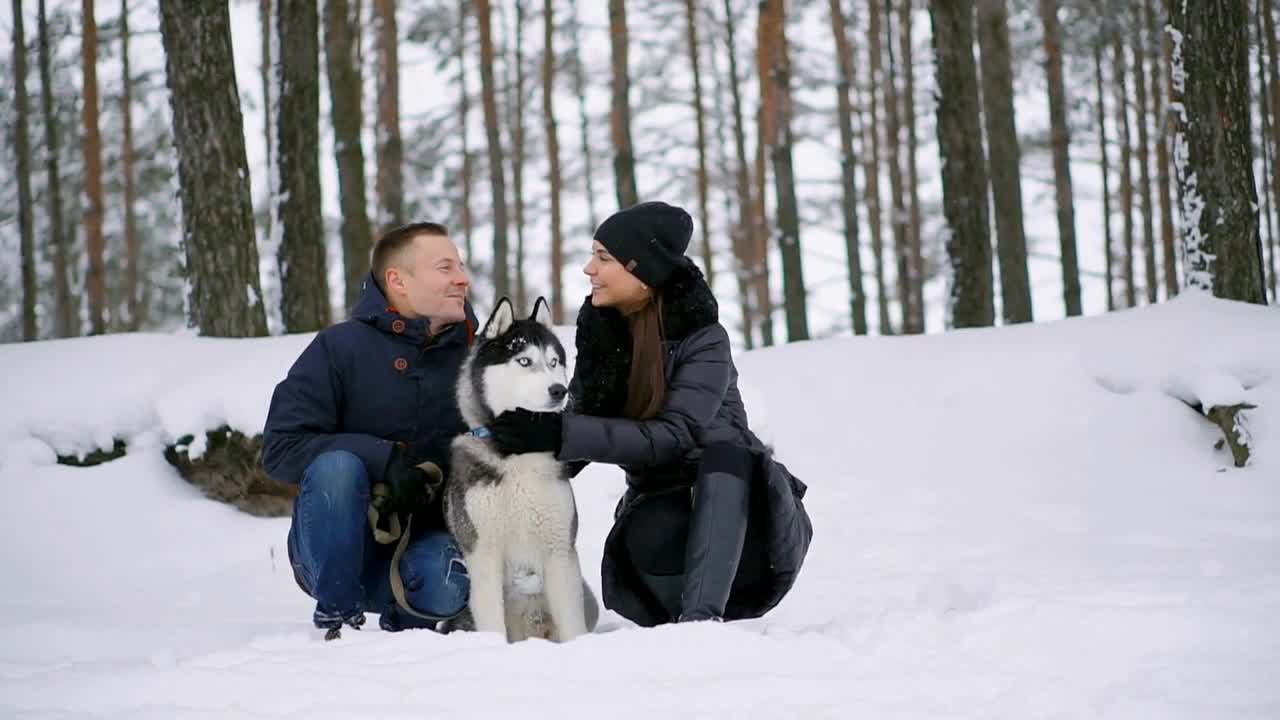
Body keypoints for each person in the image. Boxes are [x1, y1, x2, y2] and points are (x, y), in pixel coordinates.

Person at [489, 201, 813, 625]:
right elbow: (576, 442)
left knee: (727, 458)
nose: (589, 269)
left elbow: (673, 435)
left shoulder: (703, 339)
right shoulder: (603, 336)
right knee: (645, 525)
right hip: (662, 516)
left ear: (643, 273)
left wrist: (558, 433)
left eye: (603, 258)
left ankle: (701, 623)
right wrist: (512, 443)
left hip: (752, 533)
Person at [262, 222, 475, 637]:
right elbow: (281, 450)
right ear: (397, 280)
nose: (462, 279)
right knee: (337, 466)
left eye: (461, 266)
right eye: (446, 267)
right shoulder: (339, 348)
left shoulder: (476, 357)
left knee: (446, 581)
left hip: (423, 546)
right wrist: (382, 457)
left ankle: (409, 630)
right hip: (330, 549)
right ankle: (336, 620)